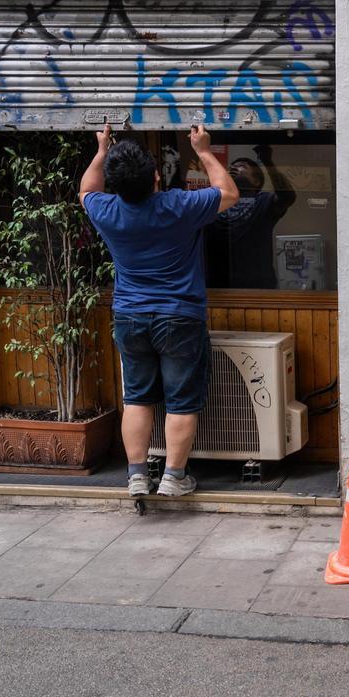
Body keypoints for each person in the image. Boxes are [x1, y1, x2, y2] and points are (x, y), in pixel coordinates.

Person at [79, 125, 239, 497]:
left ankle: (137, 475)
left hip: (130, 317)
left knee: (136, 397)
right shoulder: (178, 205)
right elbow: (229, 193)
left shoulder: (107, 210)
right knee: (181, 400)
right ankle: (174, 477)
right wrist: (202, 150)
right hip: (179, 316)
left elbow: (86, 189)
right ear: (155, 176)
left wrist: (101, 150)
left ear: (115, 184)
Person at [205, 145, 296, 289]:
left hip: (257, 290)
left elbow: (287, 197)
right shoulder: (213, 202)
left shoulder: (263, 202)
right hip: (216, 290)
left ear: (256, 182)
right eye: (231, 167)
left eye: (241, 166)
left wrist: (268, 162)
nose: (233, 169)